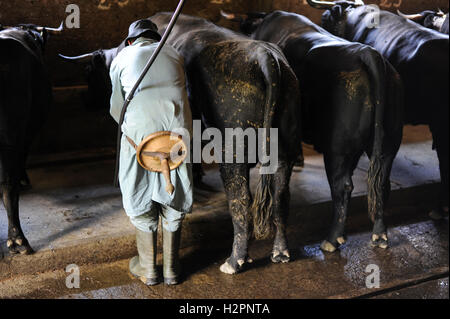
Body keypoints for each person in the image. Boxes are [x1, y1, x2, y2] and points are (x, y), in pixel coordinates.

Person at [109, 19, 193, 285]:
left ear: (131, 40)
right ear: (157, 39)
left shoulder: (122, 58)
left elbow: (116, 109)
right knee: (174, 198)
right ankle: (171, 269)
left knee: (139, 195)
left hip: (140, 146)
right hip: (176, 144)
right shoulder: (175, 54)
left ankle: (149, 269)